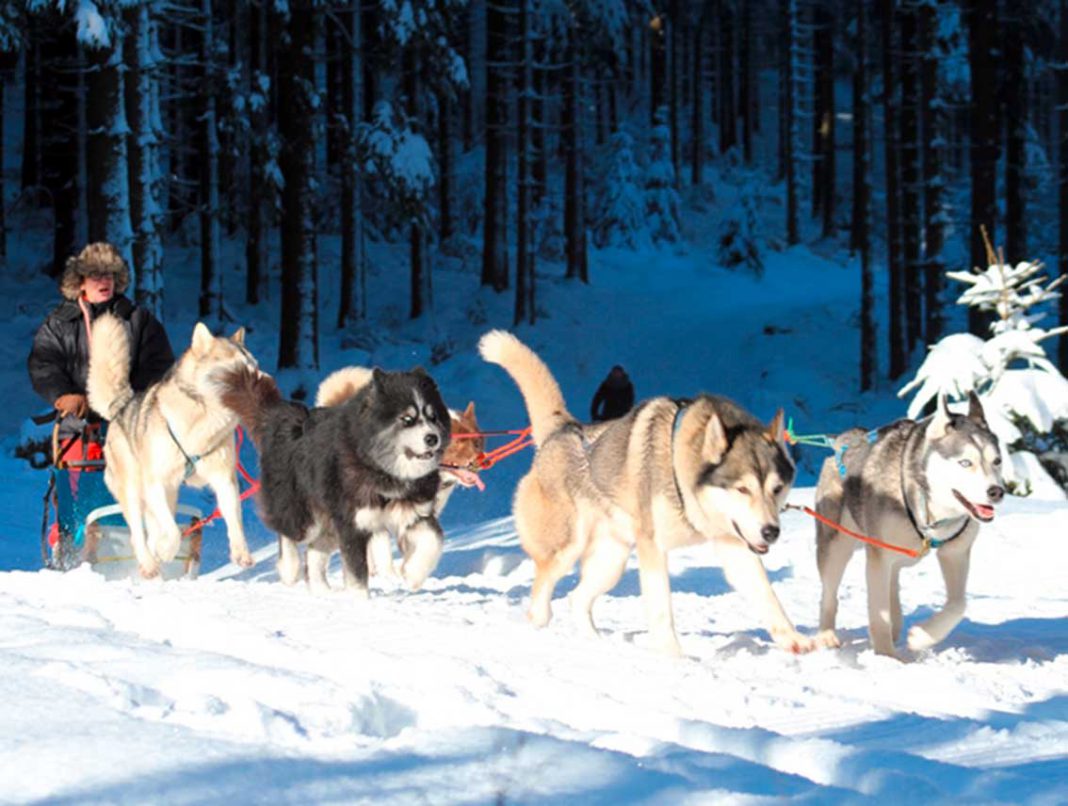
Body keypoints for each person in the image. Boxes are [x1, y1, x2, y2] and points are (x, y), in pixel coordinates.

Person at [28, 241, 175, 442]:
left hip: (132, 426)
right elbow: (43, 365)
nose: (103, 281)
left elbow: (160, 365)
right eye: (95, 276)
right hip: (76, 426)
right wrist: (64, 395)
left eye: (109, 275)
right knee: (80, 473)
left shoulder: (139, 319)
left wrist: (131, 398)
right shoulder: (59, 324)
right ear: (80, 283)